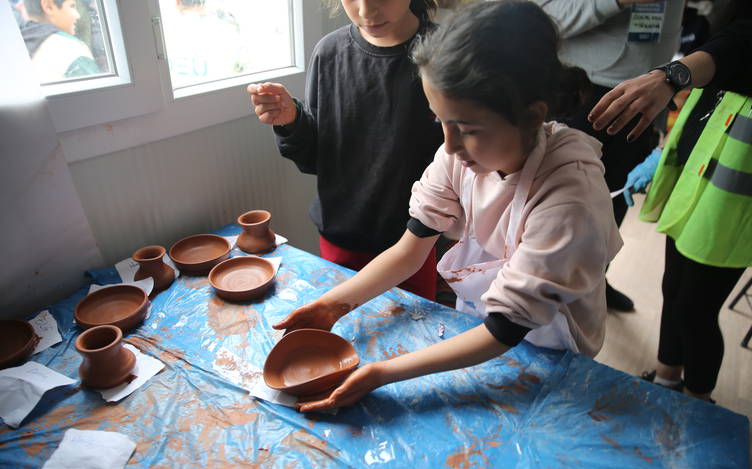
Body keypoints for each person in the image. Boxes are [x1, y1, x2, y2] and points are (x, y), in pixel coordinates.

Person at [273, 0, 623, 412]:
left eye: (469, 130)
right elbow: (409, 251)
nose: (451, 147)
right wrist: (334, 304)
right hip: (481, 328)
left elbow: (505, 329)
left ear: (532, 117)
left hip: (550, 342)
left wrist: (382, 373)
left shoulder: (569, 196)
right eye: (441, 122)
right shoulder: (458, 156)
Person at [588, 4, 751, 402]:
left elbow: (740, 44)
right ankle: (665, 378)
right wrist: (664, 152)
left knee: (697, 307)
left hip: (732, 201)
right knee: (674, 287)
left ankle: (698, 404)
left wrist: (672, 75)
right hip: (697, 173)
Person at [247, 0, 443, 301]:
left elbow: (460, 158)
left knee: (415, 335)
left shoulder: (445, 54)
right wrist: (292, 120)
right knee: (341, 330)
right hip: (341, 237)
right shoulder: (329, 53)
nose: (365, 11)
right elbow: (315, 159)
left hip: (415, 241)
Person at [529, 0, 686, 312]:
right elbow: (541, 15)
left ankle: (593, 282)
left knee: (613, 199)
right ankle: (536, 290)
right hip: (578, 88)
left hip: (649, 90)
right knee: (553, 201)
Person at [20, 0, 98, 83]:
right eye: (72, 6)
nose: (78, 15)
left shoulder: (13, 46)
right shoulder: (72, 49)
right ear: (48, 6)